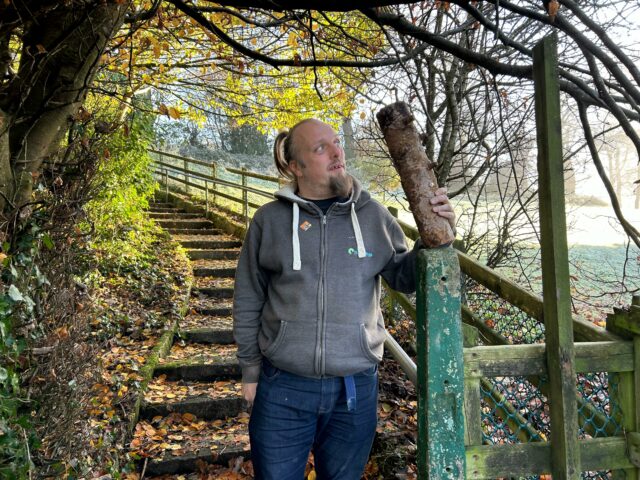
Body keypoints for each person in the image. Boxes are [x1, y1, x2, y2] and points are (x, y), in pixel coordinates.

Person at [232, 118, 455, 480]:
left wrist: (437, 239)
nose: (337, 152)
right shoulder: (269, 221)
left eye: (336, 143)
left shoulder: (372, 216)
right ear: (295, 166)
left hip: (354, 390)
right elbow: (248, 295)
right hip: (283, 387)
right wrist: (250, 369)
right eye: (321, 148)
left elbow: (405, 275)